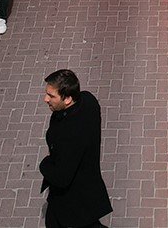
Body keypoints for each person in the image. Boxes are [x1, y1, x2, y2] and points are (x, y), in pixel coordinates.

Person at [39, 69, 113, 228]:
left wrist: (44, 165)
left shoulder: (70, 135)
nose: (46, 99)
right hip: (87, 185)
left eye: (51, 96)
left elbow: (61, 177)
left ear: (67, 99)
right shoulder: (88, 100)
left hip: (73, 198)